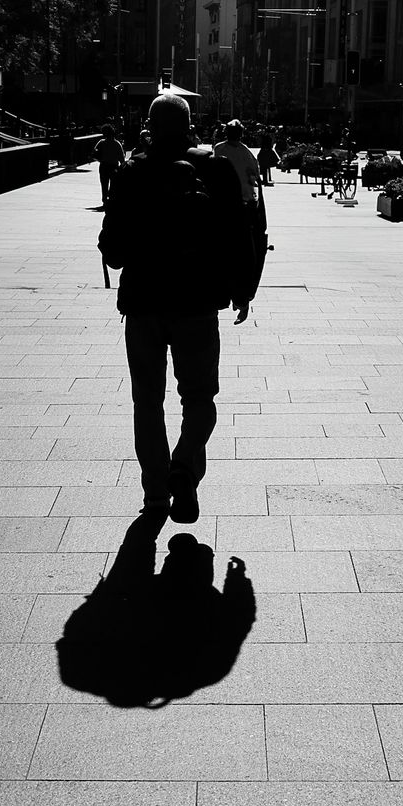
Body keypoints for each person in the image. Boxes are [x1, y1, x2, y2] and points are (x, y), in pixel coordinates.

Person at [99, 93, 265, 523]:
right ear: (191, 124)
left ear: (150, 127)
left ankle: (156, 492)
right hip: (196, 302)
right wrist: (243, 289)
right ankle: (185, 468)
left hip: (143, 304)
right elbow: (238, 234)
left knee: (147, 402)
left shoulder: (131, 172)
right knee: (199, 398)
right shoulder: (215, 169)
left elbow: (113, 252)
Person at [213, 119, 262, 211]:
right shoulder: (246, 152)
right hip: (244, 196)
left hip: (224, 195)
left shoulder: (219, 148)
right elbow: (255, 173)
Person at [97, 124, 125, 206]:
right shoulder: (117, 144)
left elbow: (94, 153)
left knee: (104, 184)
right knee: (113, 185)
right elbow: (121, 158)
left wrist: (101, 159)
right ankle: (111, 199)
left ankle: (104, 200)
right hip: (113, 166)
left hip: (104, 166)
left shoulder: (101, 143)